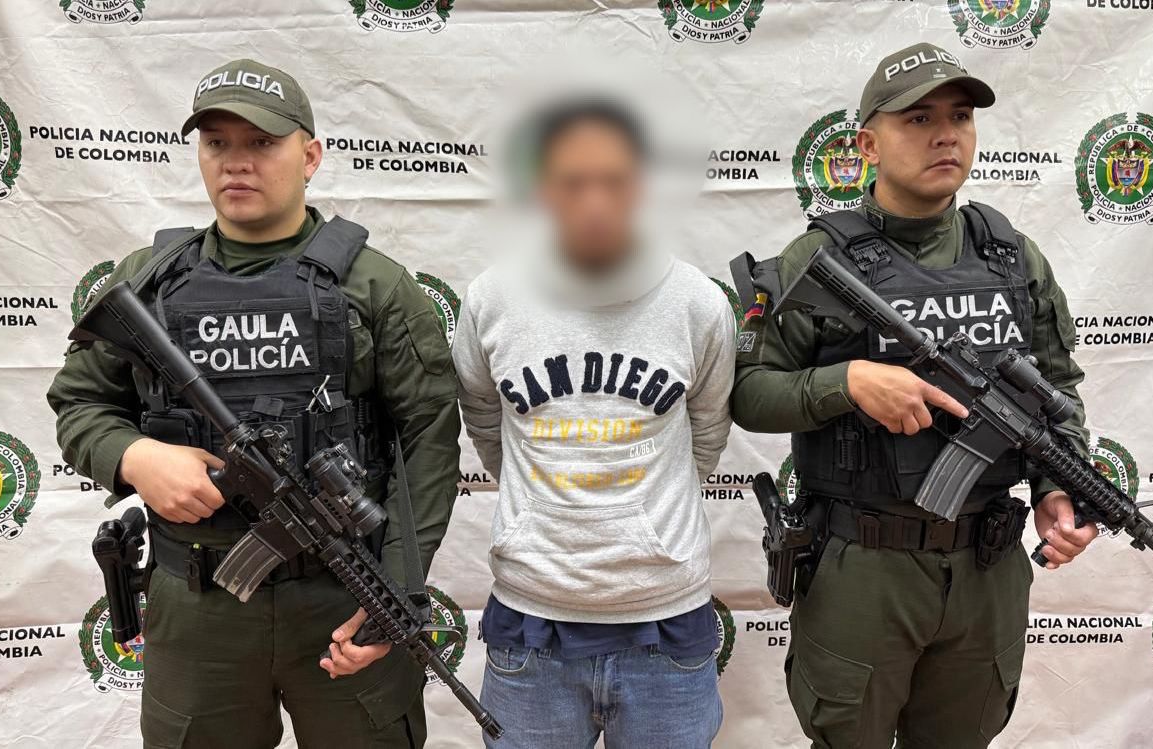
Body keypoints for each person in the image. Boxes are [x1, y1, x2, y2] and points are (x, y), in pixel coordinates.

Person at [46, 59, 460, 748]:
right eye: (217, 143)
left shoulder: (374, 286)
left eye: (262, 142)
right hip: (197, 604)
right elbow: (80, 404)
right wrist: (137, 457)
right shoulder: (147, 284)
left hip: (343, 596)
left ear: (310, 155)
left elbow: (430, 441)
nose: (236, 162)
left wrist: (394, 592)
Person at [731, 42, 1098, 748]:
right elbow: (749, 393)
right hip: (864, 566)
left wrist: (1059, 486)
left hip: (987, 565)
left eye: (960, 116)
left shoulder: (1012, 257)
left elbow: (1058, 391)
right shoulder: (820, 260)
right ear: (868, 145)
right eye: (919, 118)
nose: (946, 135)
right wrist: (847, 383)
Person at [451, 97, 735, 749]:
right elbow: (482, 414)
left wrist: (649, 517)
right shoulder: (492, 298)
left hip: (667, 624)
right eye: (573, 182)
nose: (595, 201)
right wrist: (532, 512)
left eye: (614, 181)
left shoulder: (697, 303)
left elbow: (708, 427)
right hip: (531, 627)